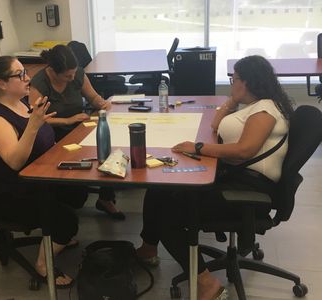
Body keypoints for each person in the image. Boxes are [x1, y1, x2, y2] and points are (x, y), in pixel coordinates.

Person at [136, 55, 293, 300]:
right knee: (159, 188)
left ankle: (207, 283)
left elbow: (244, 151)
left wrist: (198, 148)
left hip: (248, 188)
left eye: (235, 79)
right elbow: (216, 126)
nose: (232, 83)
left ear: (248, 82)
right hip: (239, 177)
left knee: (170, 215)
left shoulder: (264, 111)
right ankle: (148, 249)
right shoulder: (256, 104)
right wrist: (232, 99)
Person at [0, 56, 89, 288]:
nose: (27, 78)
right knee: (67, 221)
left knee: (78, 191)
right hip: (10, 192)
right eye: (19, 75)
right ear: (2, 84)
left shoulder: (23, 104)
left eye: (25, 71)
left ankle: (58, 236)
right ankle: (43, 264)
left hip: (37, 179)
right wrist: (33, 126)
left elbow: (42, 141)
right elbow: (15, 162)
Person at [29, 44, 125, 220]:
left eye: (74, 73)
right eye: (67, 75)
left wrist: (102, 103)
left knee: (107, 148)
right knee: (77, 190)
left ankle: (105, 198)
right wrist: (66, 120)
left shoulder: (77, 74)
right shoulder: (39, 83)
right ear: (53, 71)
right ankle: (65, 207)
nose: (72, 77)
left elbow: (93, 97)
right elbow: (35, 120)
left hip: (79, 128)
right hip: (53, 134)